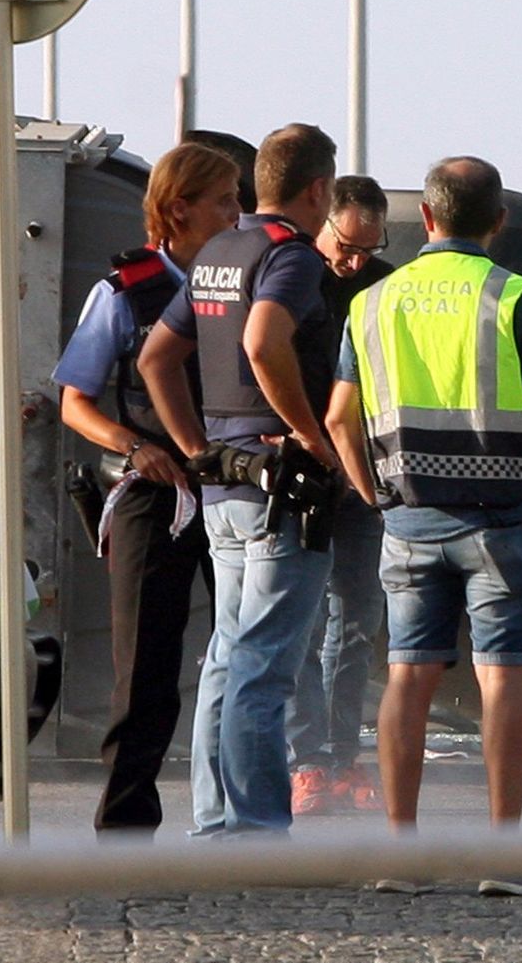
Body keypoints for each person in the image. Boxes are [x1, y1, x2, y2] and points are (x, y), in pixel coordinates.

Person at [326, 156, 522, 896]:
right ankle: (504, 856)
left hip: (408, 518)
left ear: (428, 219)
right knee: (503, 680)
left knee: (407, 675)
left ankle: (399, 855)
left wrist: (371, 491)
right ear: (497, 222)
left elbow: (339, 417)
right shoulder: (514, 298)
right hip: (504, 520)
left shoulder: (373, 301)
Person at [138, 122, 340, 837]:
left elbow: (156, 358)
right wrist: (313, 437)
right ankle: (257, 828)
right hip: (279, 490)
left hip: (223, 483)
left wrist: (196, 444)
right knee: (264, 664)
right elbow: (263, 340)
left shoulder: (219, 250)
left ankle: (218, 820)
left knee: (226, 656)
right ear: (318, 190)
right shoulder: (290, 255)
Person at [52, 141, 243, 835]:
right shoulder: (123, 291)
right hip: (149, 492)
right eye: (223, 200)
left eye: (238, 199)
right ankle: (126, 823)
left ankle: (235, 813)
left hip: (231, 488)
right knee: (147, 668)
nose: (236, 213)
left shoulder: (242, 282)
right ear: (179, 208)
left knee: (244, 651)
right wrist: (134, 445)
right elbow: (75, 401)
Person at [286, 176, 392, 815]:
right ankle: (308, 761)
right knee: (302, 620)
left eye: (365, 250)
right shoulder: (294, 273)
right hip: (304, 467)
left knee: (357, 619)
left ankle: (344, 753)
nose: (353, 262)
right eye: (345, 247)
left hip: (364, 471)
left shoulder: (384, 283)